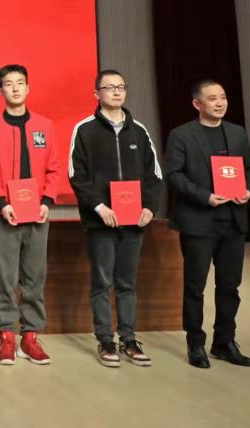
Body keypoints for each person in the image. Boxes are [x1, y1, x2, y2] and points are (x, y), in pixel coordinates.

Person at [69, 69, 162, 367]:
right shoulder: (84, 130)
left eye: (121, 87)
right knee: (102, 281)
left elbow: (154, 174)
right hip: (101, 221)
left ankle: (129, 339)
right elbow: (77, 175)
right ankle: (105, 339)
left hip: (134, 221)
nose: (117, 92)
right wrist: (99, 207)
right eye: (110, 88)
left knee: (127, 283)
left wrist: (150, 207)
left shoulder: (139, 131)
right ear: (97, 94)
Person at [163, 79, 250, 369]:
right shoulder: (181, 135)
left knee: (230, 285)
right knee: (195, 286)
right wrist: (204, 196)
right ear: (197, 104)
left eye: (223, 97)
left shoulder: (237, 132)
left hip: (233, 221)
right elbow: (174, 174)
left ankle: (224, 342)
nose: (220, 103)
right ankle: (195, 343)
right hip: (198, 221)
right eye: (213, 98)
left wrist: (248, 189)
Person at [0, 64, 60, 365]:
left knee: (34, 278)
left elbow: (53, 169)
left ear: (28, 87)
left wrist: (47, 201)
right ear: (0, 90)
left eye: (20, 83)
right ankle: (7, 337)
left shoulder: (44, 125)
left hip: (37, 215)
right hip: (5, 214)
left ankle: (30, 337)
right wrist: (2, 203)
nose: (15, 88)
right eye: (8, 84)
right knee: (4, 279)